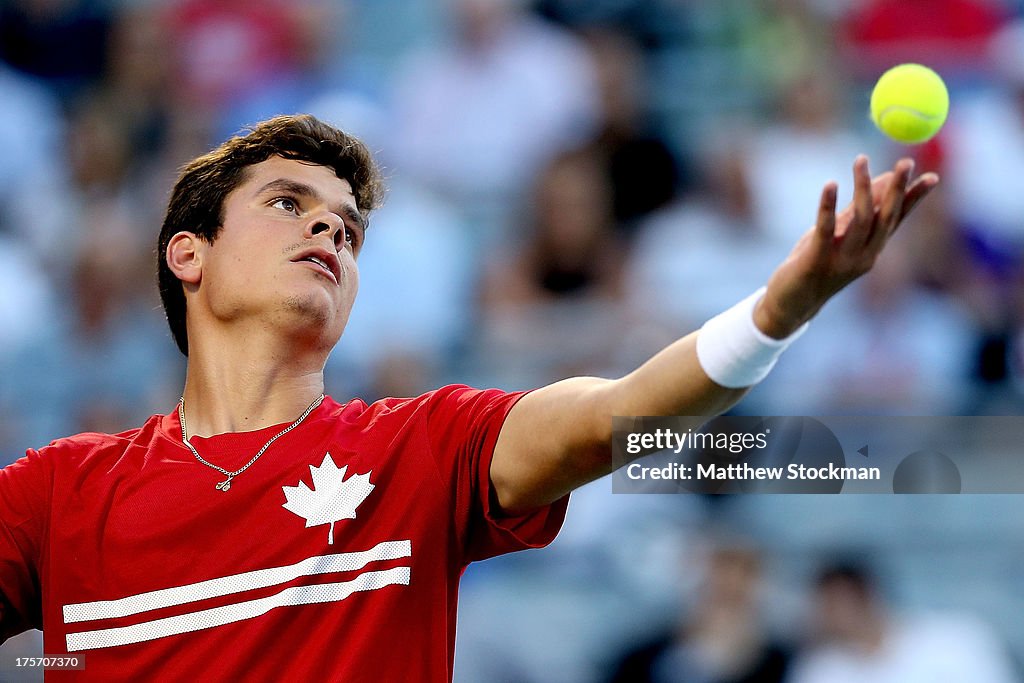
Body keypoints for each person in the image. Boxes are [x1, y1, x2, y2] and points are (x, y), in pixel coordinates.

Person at [0, 114, 937, 682]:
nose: (331, 222)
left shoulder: (420, 448)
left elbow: (616, 414)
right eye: (287, 202)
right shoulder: (59, 494)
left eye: (349, 226)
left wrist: (779, 309)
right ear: (188, 254)